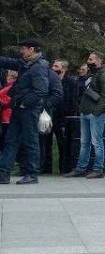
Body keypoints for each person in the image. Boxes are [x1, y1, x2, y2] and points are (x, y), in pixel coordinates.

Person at [0, 40, 52, 184]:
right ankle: (3, 174)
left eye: (23, 48)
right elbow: (7, 61)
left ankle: (32, 174)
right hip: (19, 108)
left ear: (32, 49)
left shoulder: (39, 66)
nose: (21, 51)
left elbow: (41, 91)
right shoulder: (25, 63)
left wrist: (24, 103)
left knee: (30, 141)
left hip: (29, 109)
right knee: (11, 140)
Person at [69, 52, 105, 178]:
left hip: (95, 114)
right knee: (85, 142)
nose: (88, 61)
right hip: (86, 112)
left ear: (99, 61)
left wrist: (96, 112)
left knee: (97, 142)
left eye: (91, 59)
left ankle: (98, 169)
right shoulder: (92, 74)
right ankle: (81, 168)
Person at [49, 59, 82, 175]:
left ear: (63, 69)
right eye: (53, 66)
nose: (53, 68)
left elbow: (73, 101)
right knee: (47, 143)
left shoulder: (72, 83)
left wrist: (68, 118)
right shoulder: (50, 81)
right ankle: (46, 167)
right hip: (51, 115)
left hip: (65, 117)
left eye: (56, 66)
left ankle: (65, 168)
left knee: (63, 144)